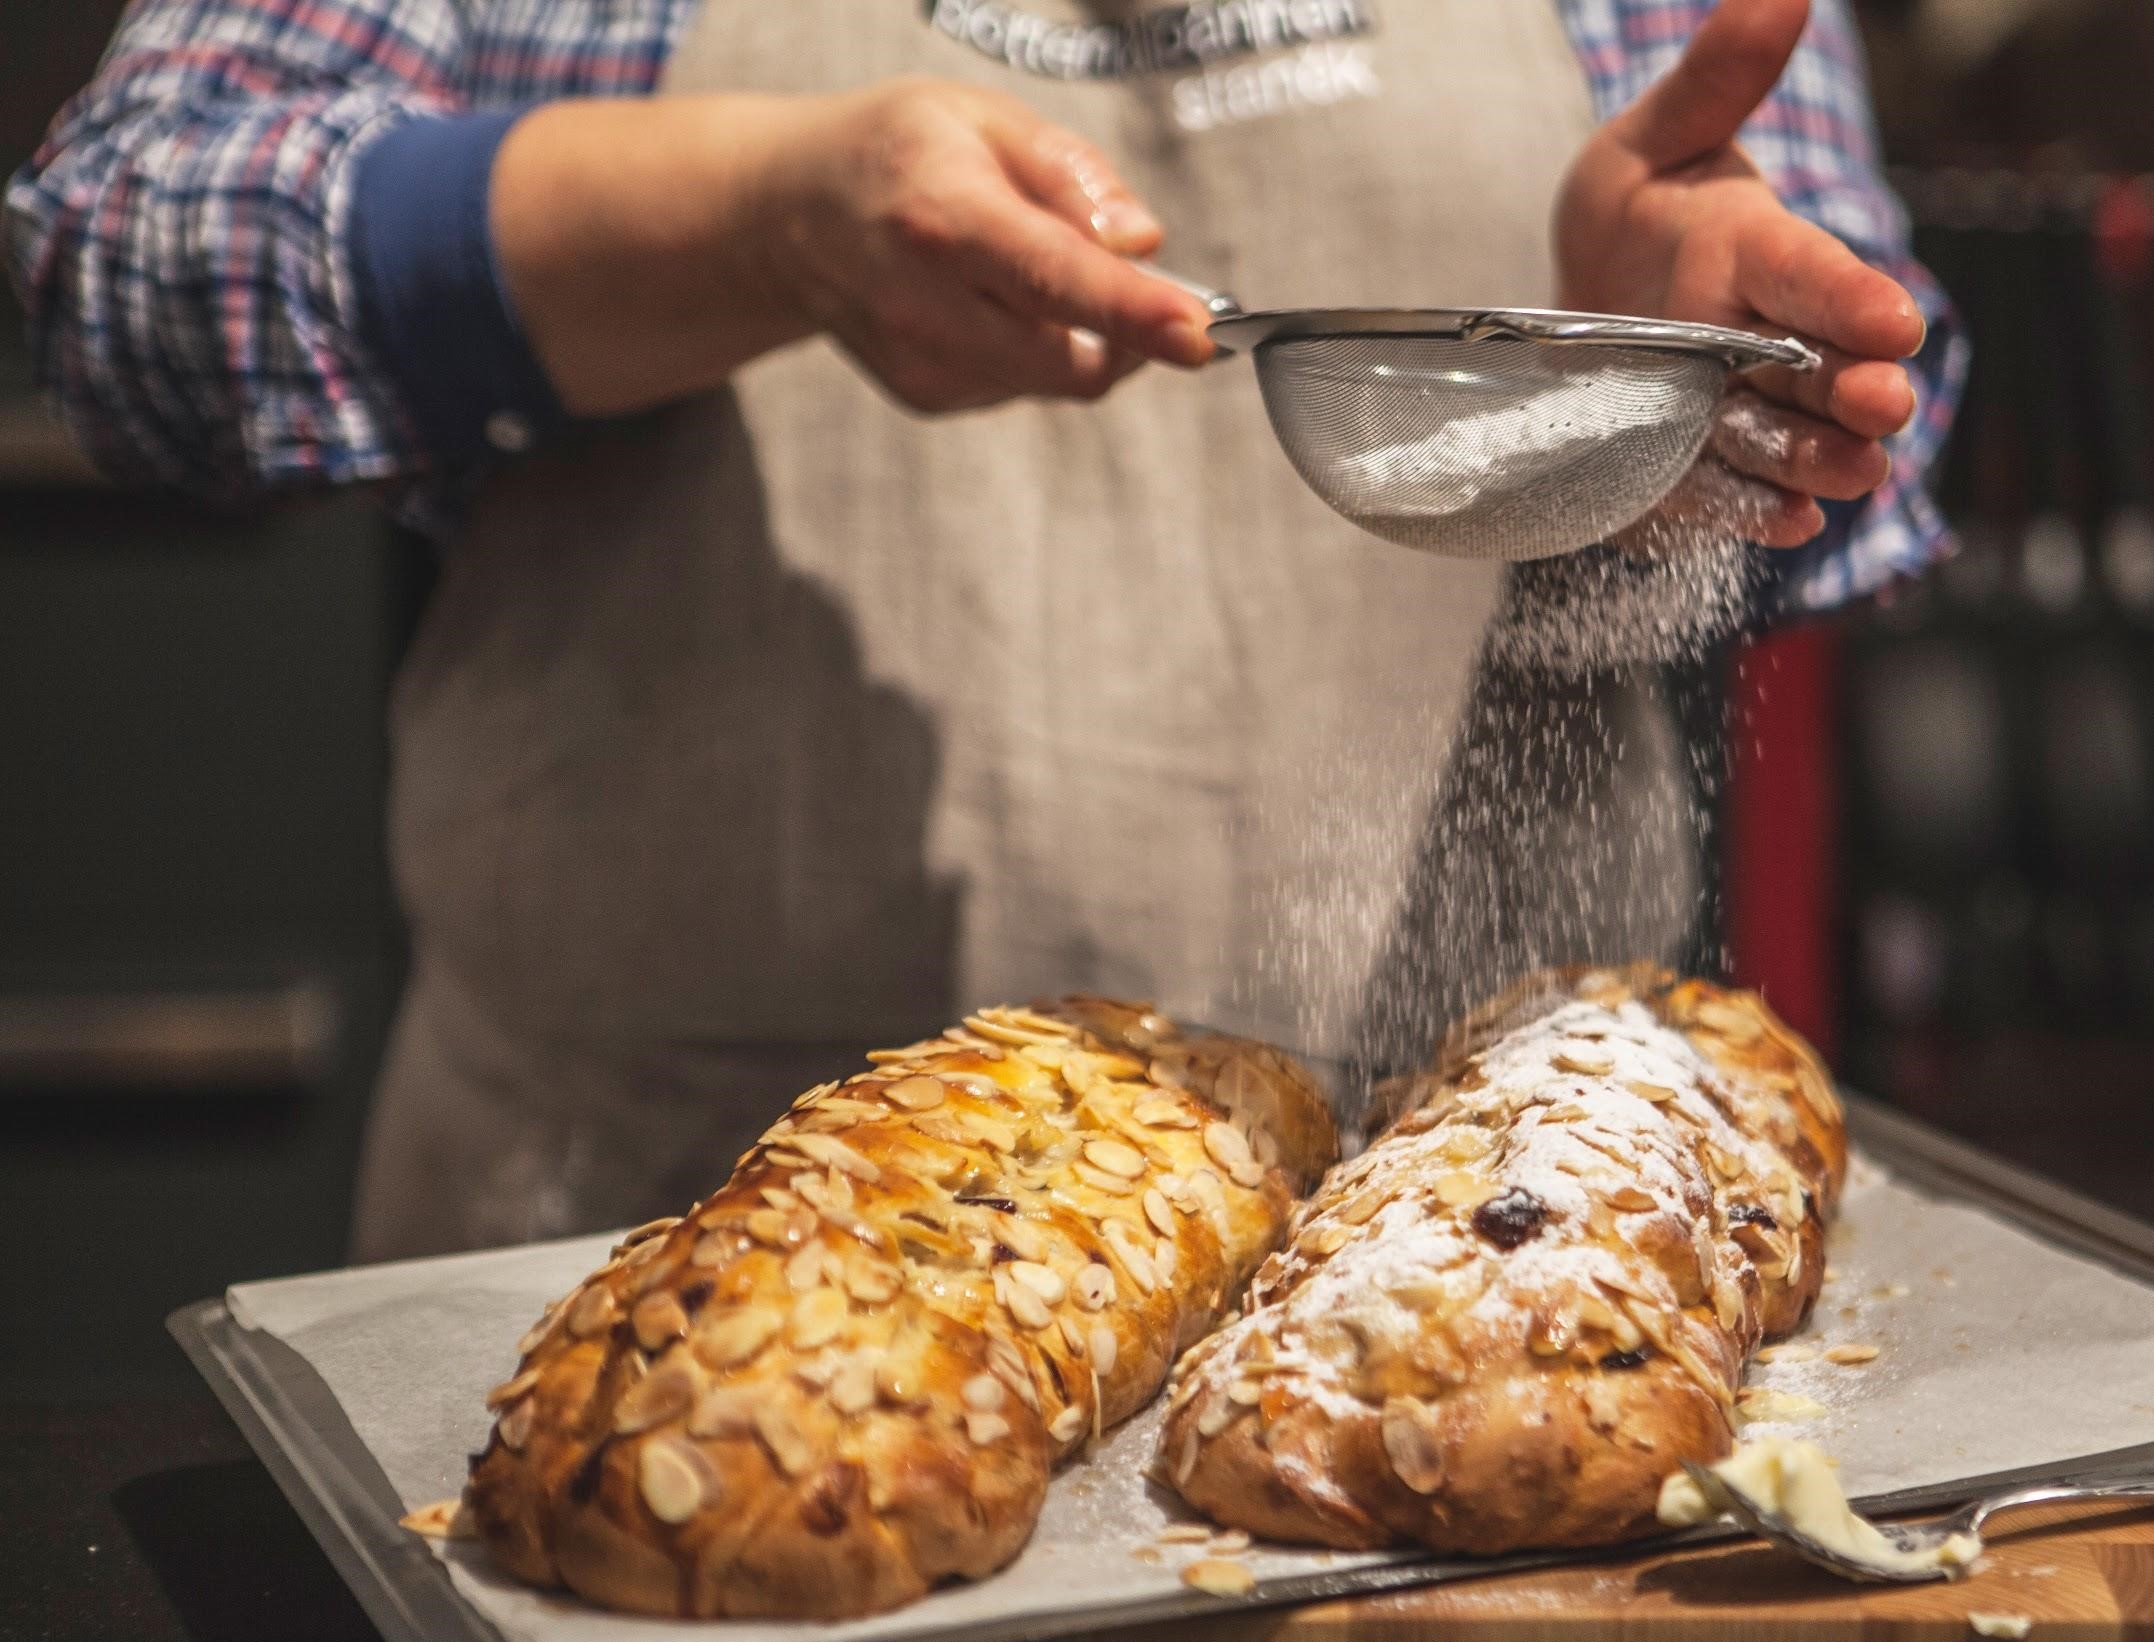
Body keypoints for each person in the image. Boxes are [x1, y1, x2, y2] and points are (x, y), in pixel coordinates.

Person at [8, 0, 1964, 1259]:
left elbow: (1859, 414)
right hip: (679, 1262)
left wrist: (1675, 372)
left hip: (1482, 1259)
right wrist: (754, 219)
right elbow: (130, 265)